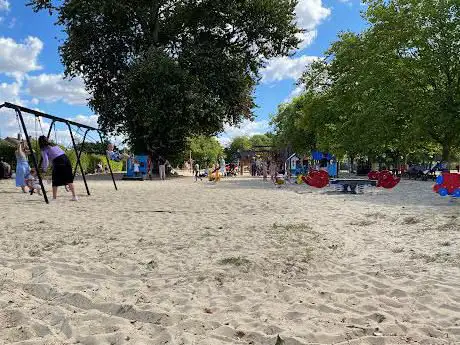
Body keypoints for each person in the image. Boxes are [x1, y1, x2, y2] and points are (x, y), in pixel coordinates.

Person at [39, 136, 77, 201]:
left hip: (58, 162)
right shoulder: (55, 145)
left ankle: (54, 198)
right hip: (66, 160)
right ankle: (74, 196)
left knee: (55, 180)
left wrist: (44, 169)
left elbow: (46, 161)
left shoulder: (43, 149)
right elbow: (60, 154)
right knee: (69, 179)